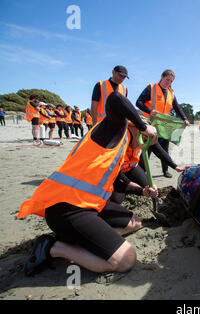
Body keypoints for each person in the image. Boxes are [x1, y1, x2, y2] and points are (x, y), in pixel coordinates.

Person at [17, 92, 158, 276]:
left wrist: (142, 191)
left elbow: (117, 181)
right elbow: (116, 99)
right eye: (143, 138)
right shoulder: (115, 129)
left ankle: (83, 239)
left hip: (89, 204)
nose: (142, 145)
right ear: (133, 126)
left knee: (135, 222)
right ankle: (53, 247)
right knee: (126, 259)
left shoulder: (122, 146)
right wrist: (144, 126)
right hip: (67, 208)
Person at [136, 69, 190, 178]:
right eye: (167, 79)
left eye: (171, 81)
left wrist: (184, 118)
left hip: (164, 126)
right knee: (149, 148)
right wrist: (149, 111)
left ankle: (165, 170)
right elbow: (138, 102)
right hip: (150, 123)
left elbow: (177, 107)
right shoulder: (151, 88)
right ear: (162, 77)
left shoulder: (171, 92)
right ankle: (142, 171)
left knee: (165, 147)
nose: (168, 83)